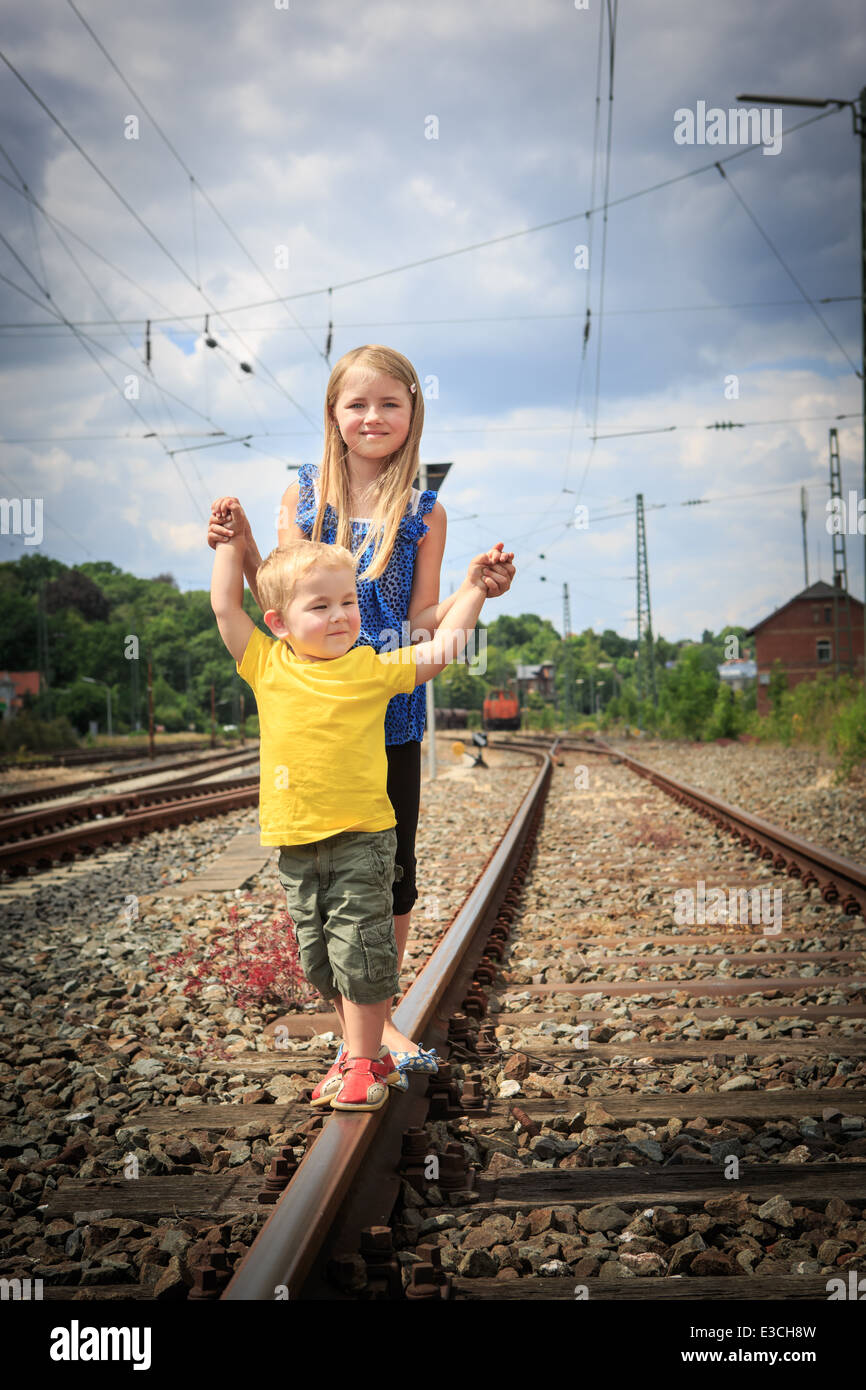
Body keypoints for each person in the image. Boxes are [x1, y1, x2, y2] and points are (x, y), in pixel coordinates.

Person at [208, 343, 515, 1078]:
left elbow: (421, 611)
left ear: (413, 413)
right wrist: (245, 547)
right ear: (334, 414)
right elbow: (281, 594)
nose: (373, 417)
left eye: (391, 404)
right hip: (318, 701)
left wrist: (474, 589)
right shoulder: (303, 499)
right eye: (358, 404)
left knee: (392, 871)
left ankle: (376, 1030)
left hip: (389, 701)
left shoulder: (424, 510)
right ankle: (362, 1037)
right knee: (323, 880)